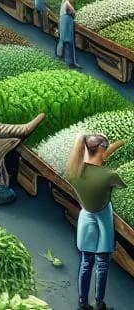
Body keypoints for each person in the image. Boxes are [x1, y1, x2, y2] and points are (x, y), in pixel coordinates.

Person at [66, 133, 127, 310]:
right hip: (103, 218)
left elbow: (98, 158)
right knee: (102, 263)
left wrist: (120, 142)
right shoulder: (110, 175)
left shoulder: (74, 171)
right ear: (101, 150)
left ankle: (82, 302)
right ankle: (100, 302)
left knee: (86, 262)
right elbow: (123, 186)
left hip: (86, 216)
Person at [58, 0, 80, 68]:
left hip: (65, 20)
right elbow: (73, 11)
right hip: (66, 21)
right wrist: (74, 12)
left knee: (65, 40)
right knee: (67, 41)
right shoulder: (67, 2)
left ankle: (67, 60)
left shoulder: (65, 2)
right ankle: (69, 62)